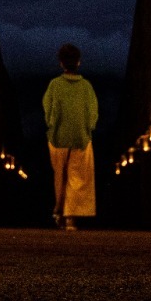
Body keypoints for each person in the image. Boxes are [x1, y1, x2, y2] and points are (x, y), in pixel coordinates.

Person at [42, 42, 98, 230]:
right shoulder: (86, 87)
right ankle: (70, 218)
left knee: (60, 177)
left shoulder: (54, 85)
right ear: (78, 63)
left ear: (61, 64)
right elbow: (93, 112)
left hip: (58, 138)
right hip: (81, 138)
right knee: (77, 177)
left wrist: (52, 127)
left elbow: (48, 109)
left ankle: (58, 210)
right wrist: (88, 128)